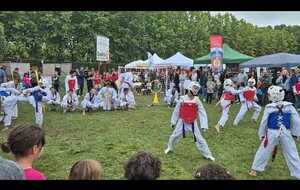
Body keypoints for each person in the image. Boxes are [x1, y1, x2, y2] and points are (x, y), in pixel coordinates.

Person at [249, 86, 300, 179]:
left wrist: (262, 134)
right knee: (292, 152)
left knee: (264, 150)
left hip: (271, 133)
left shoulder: (269, 108)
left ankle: (255, 169)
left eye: (269, 95)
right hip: (286, 133)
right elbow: (296, 121)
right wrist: (295, 133)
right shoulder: (289, 107)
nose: (268, 96)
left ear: (273, 96)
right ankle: (298, 172)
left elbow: (263, 122)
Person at [164, 81, 215, 161]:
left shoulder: (197, 100)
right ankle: (170, 147)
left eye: (197, 89)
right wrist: (173, 122)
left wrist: (204, 125)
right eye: (194, 88)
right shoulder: (182, 99)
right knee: (174, 136)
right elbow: (176, 111)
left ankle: (207, 154)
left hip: (193, 123)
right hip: (182, 122)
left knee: (200, 139)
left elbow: (202, 112)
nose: (196, 90)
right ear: (190, 88)